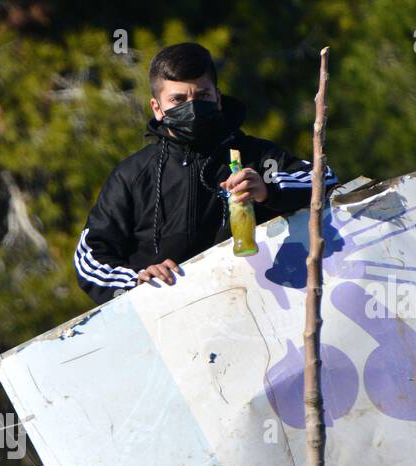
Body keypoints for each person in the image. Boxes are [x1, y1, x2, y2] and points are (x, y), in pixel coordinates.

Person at [75, 42, 337, 305]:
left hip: (262, 306)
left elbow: (324, 178)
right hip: (167, 322)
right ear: (157, 107)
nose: (192, 107)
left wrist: (269, 190)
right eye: (178, 100)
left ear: (218, 98)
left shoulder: (255, 156)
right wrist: (136, 281)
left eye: (202, 96)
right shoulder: (132, 176)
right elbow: (91, 255)